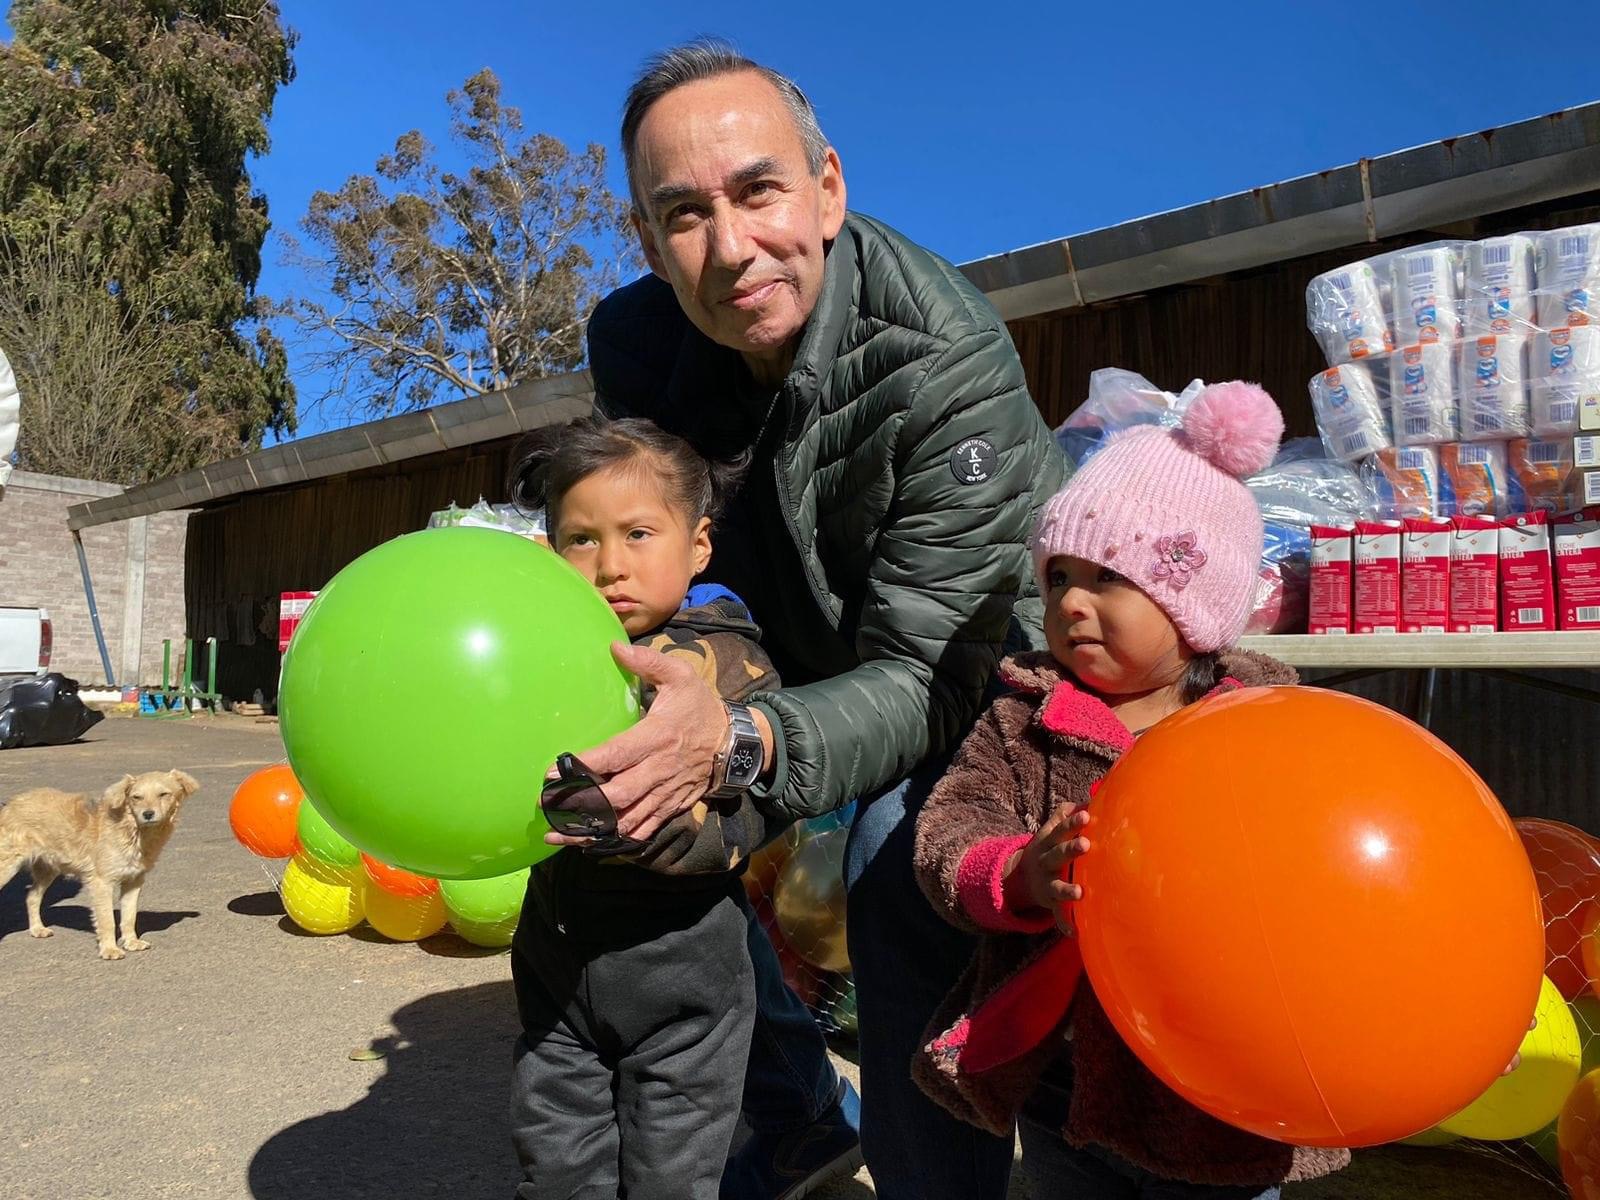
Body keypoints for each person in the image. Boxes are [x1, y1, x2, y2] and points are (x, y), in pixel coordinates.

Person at [569, 39, 1067, 1200]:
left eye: (758, 191)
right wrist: (682, 694)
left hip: (981, 677)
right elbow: (660, 545)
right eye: (683, 215)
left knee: (900, 860)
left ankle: (932, 1180)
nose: (731, 249)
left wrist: (740, 743)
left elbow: (927, 674)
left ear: (828, 188)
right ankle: (797, 1112)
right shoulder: (634, 344)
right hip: (794, 652)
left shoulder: (944, 359)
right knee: (631, 812)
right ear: (646, 240)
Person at [909, 381, 1354, 1198]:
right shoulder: (1024, 717)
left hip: (1218, 1100)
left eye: (1108, 578)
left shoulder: (1262, 733)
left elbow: (1331, 876)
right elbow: (951, 831)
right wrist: (1016, 874)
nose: (1071, 602)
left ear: (1193, 601)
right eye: (1056, 577)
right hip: (1064, 1084)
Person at [504, 416, 784, 1200]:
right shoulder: (543, 651)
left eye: (636, 533)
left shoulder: (728, 661)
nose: (608, 567)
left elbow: (745, 821)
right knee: (555, 1157)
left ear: (697, 546)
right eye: (579, 539)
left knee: (673, 1172)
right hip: (556, 959)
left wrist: (624, 819)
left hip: (683, 977)